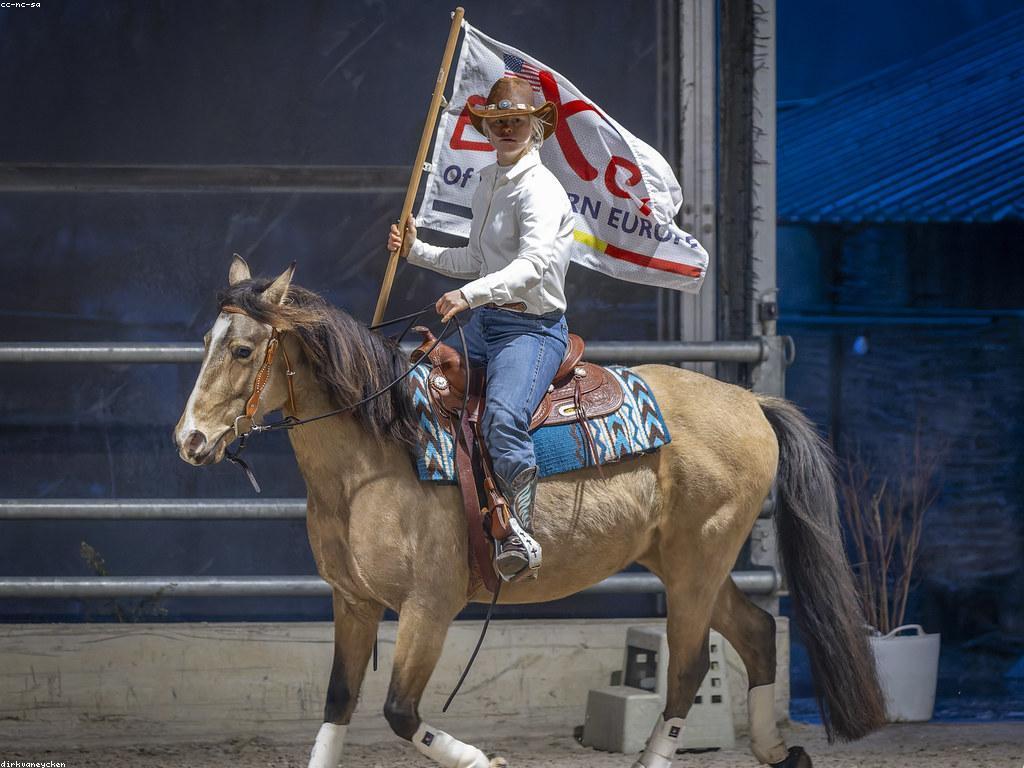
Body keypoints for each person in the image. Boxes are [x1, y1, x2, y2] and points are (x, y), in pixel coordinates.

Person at [387, 76, 573, 582]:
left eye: (517, 120)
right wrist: (416, 251)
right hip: (488, 322)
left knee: (503, 415)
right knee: (420, 385)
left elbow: (533, 266)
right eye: (498, 122)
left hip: (532, 331)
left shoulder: (541, 190)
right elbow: (474, 257)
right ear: (487, 129)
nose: (507, 128)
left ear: (537, 128)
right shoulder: (487, 182)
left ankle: (519, 530)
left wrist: (468, 296)